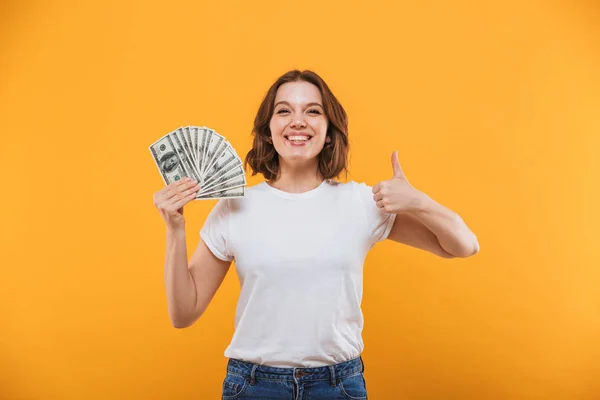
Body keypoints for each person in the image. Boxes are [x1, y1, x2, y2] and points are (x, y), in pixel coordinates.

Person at [152, 70, 480, 399]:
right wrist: (175, 228)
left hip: (338, 386)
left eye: (312, 111)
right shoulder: (234, 207)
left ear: (328, 132)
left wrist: (419, 203)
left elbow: (463, 246)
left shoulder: (361, 202)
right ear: (268, 132)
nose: (298, 121)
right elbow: (184, 313)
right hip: (253, 386)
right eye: (284, 111)